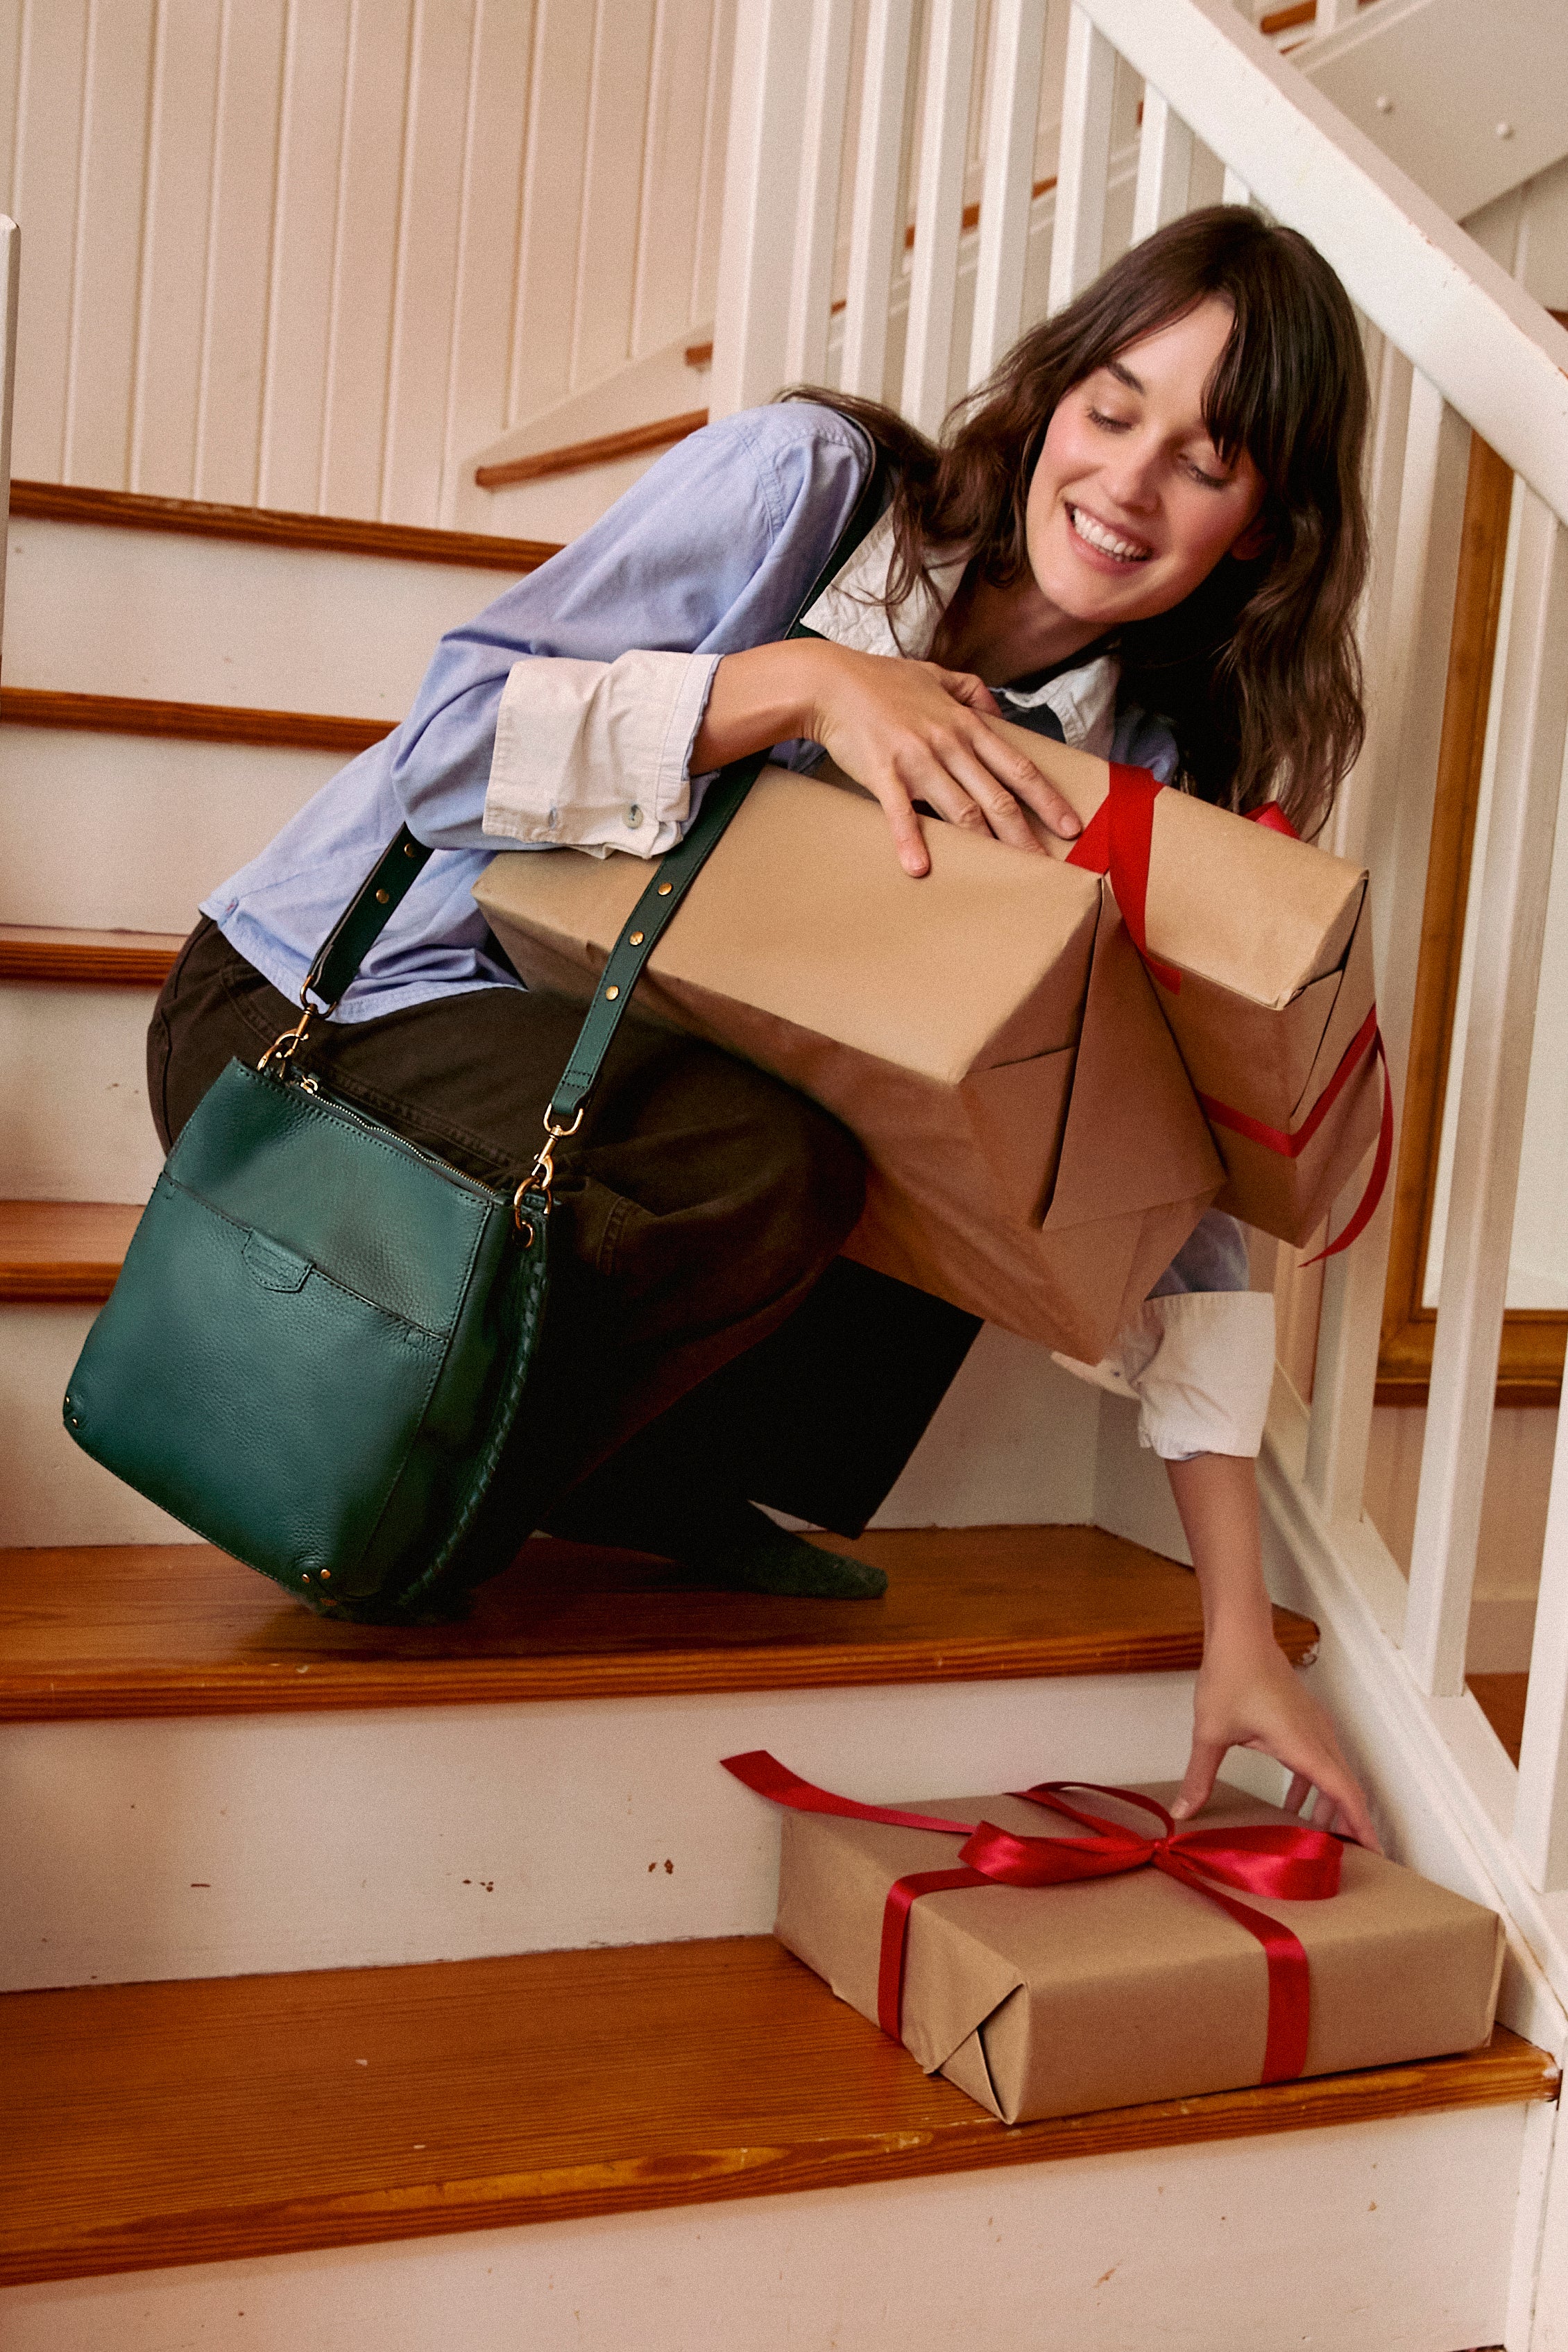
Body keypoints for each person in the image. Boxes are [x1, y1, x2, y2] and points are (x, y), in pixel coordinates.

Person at [148, 207, 1377, 1846]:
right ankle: (396, 1475)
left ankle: (605, 1466)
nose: (1129, 485)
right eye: (1109, 408)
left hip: (580, 1100)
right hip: (329, 1012)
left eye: (1204, 460)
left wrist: (1234, 1623)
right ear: (1049, 394)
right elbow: (445, 754)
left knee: (1022, 1143)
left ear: (1259, 528)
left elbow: (1160, 1208)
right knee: (764, 1159)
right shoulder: (810, 491)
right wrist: (803, 685)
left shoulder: (1140, 775)